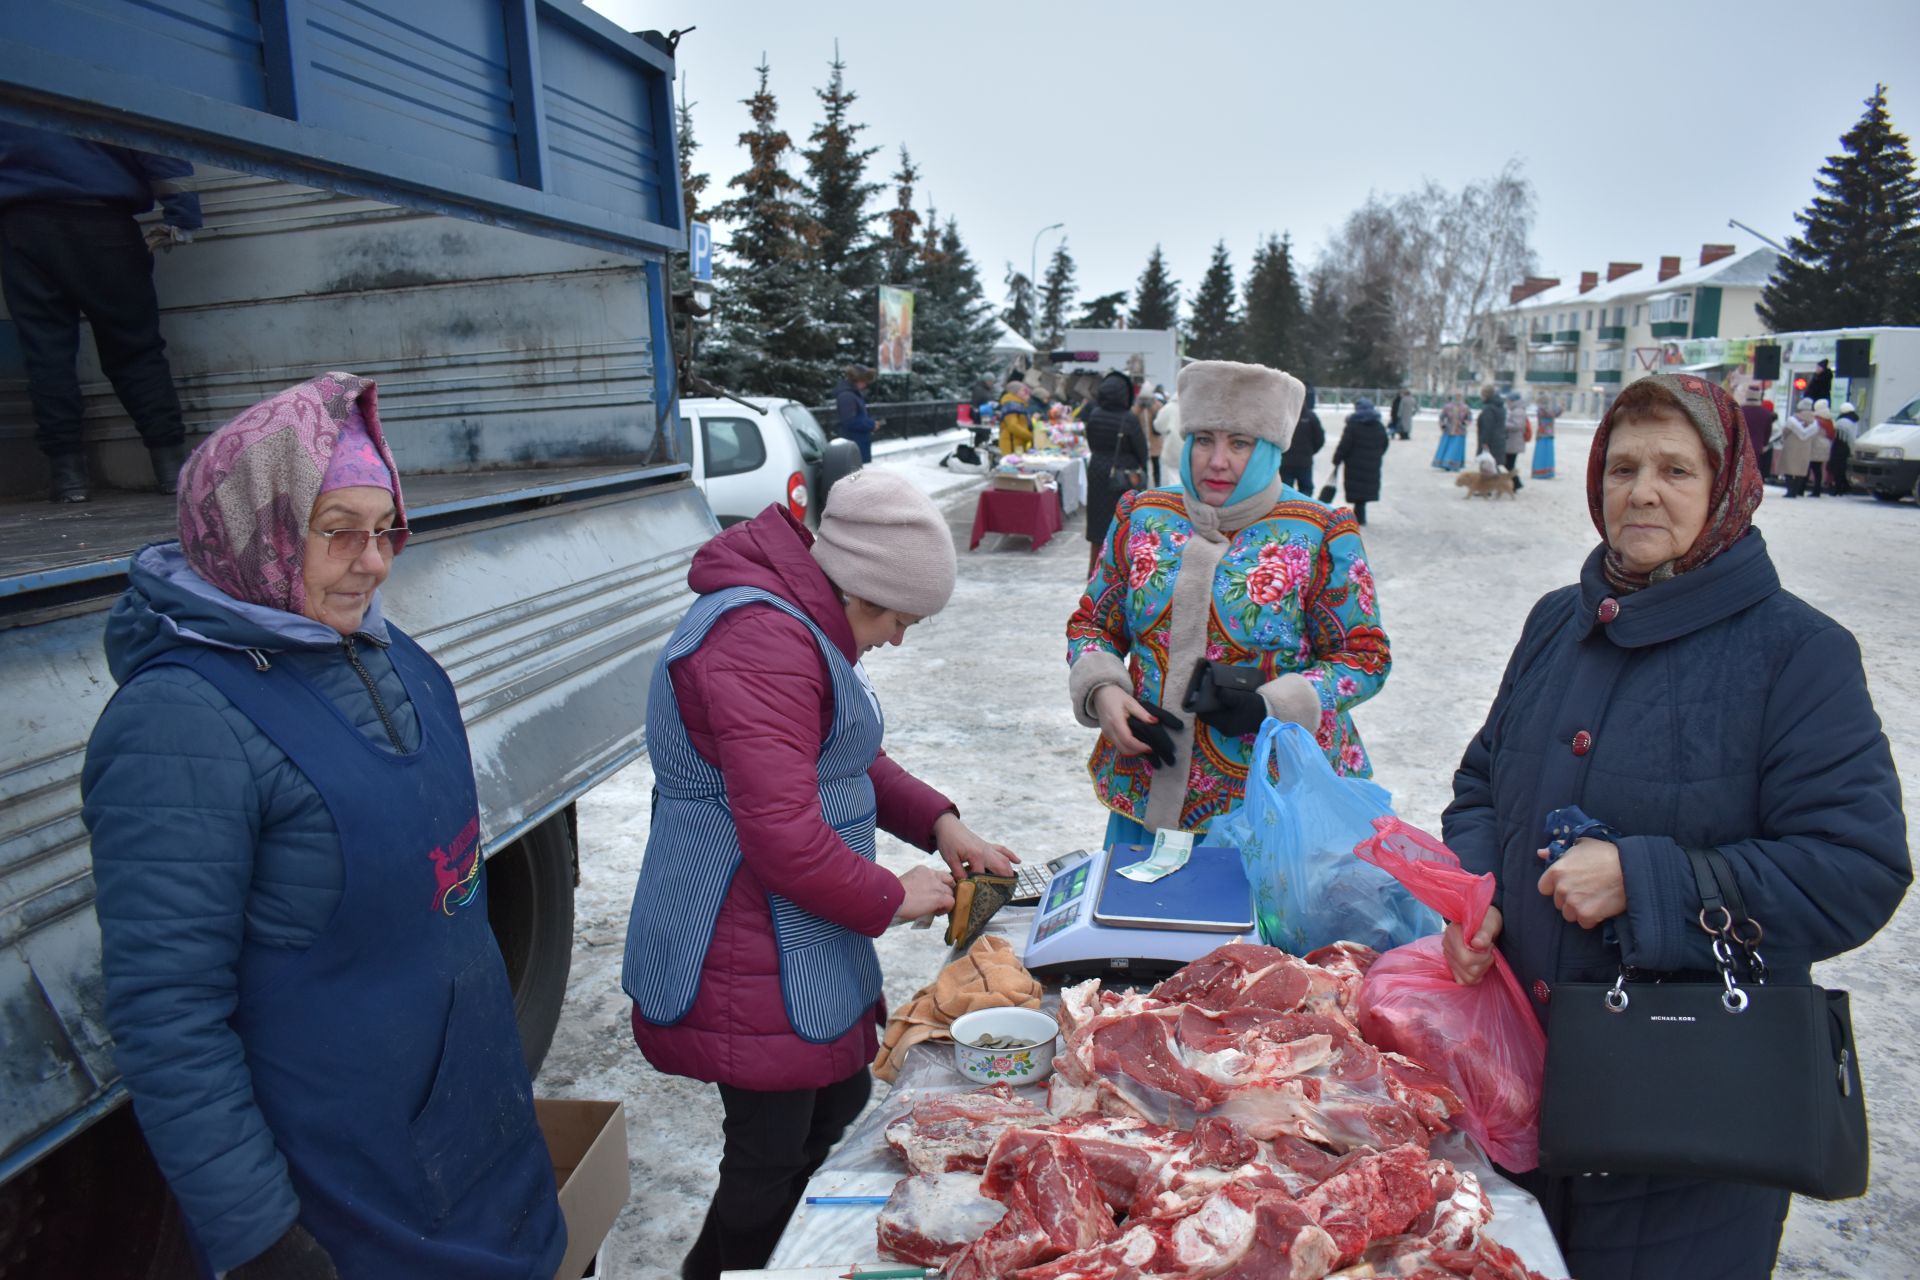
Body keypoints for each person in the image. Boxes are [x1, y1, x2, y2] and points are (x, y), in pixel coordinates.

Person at [82, 373, 565, 1279]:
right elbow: (167, 1014)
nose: (376, 562)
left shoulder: (395, 655)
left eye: (387, 530)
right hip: (345, 1202)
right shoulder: (179, 725)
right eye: (339, 528)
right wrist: (261, 1238)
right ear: (255, 529)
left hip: (471, 1146)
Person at [1441, 374, 1908, 1280]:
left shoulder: (1797, 654)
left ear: (1728, 483)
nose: (1641, 491)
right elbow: (1482, 784)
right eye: (1621, 467)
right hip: (1516, 1094)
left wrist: (1645, 880)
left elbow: (1855, 868)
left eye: (1674, 470)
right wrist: (1476, 893)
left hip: (1683, 1134)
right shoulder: (1555, 624)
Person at [621, 470, 1018, 1280]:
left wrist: (941, 822)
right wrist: (890, 895)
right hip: (736, 926)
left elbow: (848, 758)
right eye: (898, 620)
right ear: (859, 590)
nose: (897, 640)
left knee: (833, 1101)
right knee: (769, 1147)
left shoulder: (803, 625)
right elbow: (782, 835)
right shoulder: (760, 641)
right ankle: (745, 1268)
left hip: (791, 925)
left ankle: (754, 1258)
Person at [1066, 359, 1390, 842]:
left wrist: (1275, 706)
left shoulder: (1321, 531)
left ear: (1269, 448)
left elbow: (1365, 658)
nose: (1218, 461)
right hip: (1144, 790)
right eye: (1204, 440)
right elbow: (1093, 624)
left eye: (1239, 443)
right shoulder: (1141, 514)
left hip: (1273, 805)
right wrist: (1104, 690)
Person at [0, 123, 203, 503]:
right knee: (134, 348)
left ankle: (69, 479)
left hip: (21, 227)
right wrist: (183, 215)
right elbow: (154, 140)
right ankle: (171, 470)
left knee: (47, 354)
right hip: (101, 221)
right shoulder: (105, 68)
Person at [1085, 370, 1152, 574]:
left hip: (1097, 470)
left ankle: (1093, 569)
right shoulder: (1128, 418)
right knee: (1122, 520)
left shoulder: (1094, 414)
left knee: (1097, 521)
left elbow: (1091, 442)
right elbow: (1141, 449)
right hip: (1123, 475)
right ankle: (1118, 569)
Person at [1332, 396, 1389, 525]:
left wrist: (1337, 458)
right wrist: (1376, 455)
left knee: (1357, 488)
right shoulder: (1378, 425)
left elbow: (1345, 444)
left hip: (1354, 463)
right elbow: (1384, 443)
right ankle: (1360, 514)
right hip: (1372, 463)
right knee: (1364, 489)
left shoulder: (1353, 425)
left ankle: (1359, 515)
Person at [1280, 383, 1326, 492]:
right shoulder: (1284, 417)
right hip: (1295, 461)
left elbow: (1320, 439)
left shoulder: (1309, 417)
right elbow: (1320, 439)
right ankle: (1291, 508)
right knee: (1300, 489)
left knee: (1289, 489)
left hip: (1292, 461)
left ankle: (1293, 508)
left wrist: (1310, 451)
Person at [831, 364, 878, 462]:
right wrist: (871, 424)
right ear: (856, 379)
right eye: (864, 381)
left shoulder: (852, 394)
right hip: (854, 443)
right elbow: (849, 421)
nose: (865, 384)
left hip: (858, 443)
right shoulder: (847, 396)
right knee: (855, 474)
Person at [1475, 384, 1515, 490]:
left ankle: (1486, 488)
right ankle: (1498, 486)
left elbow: (1487, 427)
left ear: (1486, 395)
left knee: (1486, 466)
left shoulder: (1489, 409)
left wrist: (1484, 442)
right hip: (1499, 440)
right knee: (1494, 466)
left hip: (1490, 441)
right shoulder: (1500, 407)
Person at [1778, 398, 1818, 497]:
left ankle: (1790, 491)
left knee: (1789, 468)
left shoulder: (1793, 420)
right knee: (1800, 470)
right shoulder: (1815, 422)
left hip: (1791, 448)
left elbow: (1785, 432)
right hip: (1805, 449)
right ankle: (1796, 490)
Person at [1739, 396, 1776, 483]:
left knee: (1742, 467)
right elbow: (1768, 431)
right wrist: (1764, 443)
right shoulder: (1765, 413)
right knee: (1755, 467)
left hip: (1742, 445)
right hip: (1757, 446)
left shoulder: (1740, 410)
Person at [996, 373, 1034, 454]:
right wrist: (1030, 436)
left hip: (1018, 443)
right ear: (1015, 392)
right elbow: (1013, 426)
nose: (1027, 393)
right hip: (1011, 444)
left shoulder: (1020, 405)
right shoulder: (1011, 405)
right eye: (1023, 391)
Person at [1431, 391, 1470, 471]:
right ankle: (1445, 464)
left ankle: (1454, 464)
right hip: (1448, 431)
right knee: (1446, 448)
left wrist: (1464, 423)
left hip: (1459, 431)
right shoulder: (1447, 407)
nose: (1458, 398)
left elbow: (1469, 418)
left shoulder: (1465, 408)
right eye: (1456, 396)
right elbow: (1442, 417)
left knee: (1455, 449)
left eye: (1459, 396)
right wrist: (1443, 425)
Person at [1832, 401, 1861, 495]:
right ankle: (1844, 487)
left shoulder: (1841, 421)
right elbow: (1853, 436)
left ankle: (1838, 488)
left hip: (1839, 446)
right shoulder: (1854, 421)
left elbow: (1836, 433)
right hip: (1847, 447)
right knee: (1844, 468)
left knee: (1837, 468)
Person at [1531, 396, 1557, 479]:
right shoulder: (1543, 410)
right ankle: (1544, 472)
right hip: (1546, 434)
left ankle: (1542, 472)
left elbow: (1553, 414)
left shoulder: (1542, 410)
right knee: (1545, 453)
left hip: (1543, 434)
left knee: (1542, 453)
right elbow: (1552, 414)